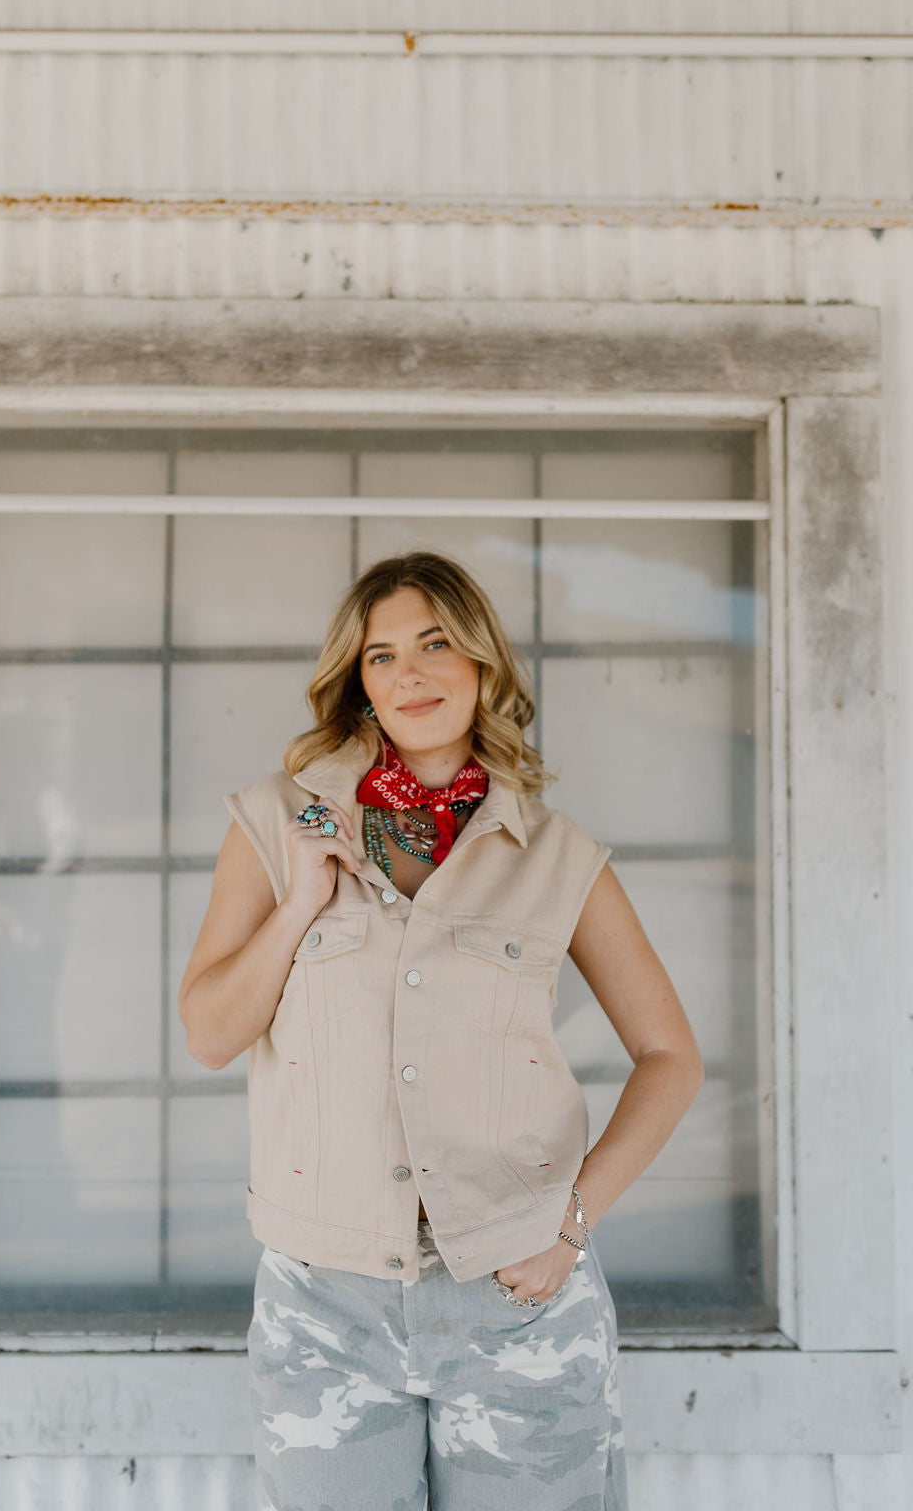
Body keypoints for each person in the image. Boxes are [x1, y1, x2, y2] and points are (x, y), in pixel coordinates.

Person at [178, 550, 704, 1511]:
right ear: (358, 682)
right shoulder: (274, 821)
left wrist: (571, 1224)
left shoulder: (557, 855)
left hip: (517, 1299)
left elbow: (671, 1057)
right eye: (380, 656)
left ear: (483, 666)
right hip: (325, 1301)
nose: (409, 674)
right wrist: (299, 905)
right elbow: (209, 1034)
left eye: (434, 644)